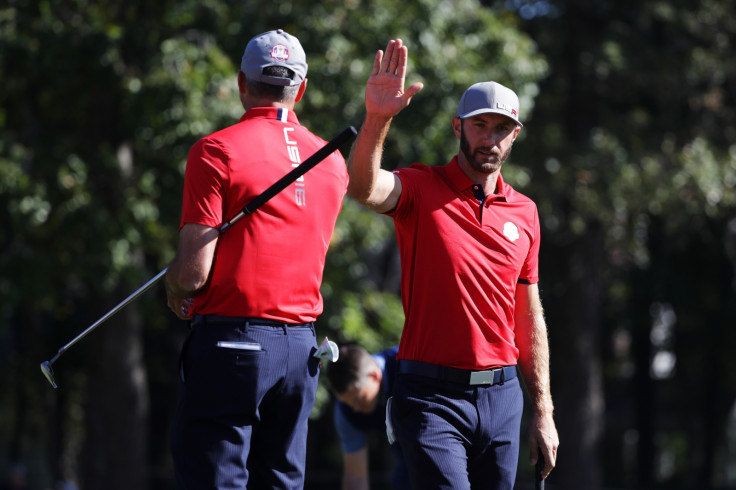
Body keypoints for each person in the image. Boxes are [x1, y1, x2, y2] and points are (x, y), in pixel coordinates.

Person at [346, 39, 559, 490]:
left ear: (514, 135)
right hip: (430, 396)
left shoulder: (526, 212)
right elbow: (363, 187)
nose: (490, 137)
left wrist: (543, 410)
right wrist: (378, 119)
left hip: (503, 399)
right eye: (480, 125)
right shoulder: (422, 188)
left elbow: (528, 315)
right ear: (457, 127)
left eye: (501, 128)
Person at [164, 29, 349, 489]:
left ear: (243, 84)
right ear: (300, 89)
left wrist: (172, 284)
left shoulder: (215, 150)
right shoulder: (332, 161)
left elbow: (191, 274)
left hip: (234, 343)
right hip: (301, 352)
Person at [325, 344, 409, 490]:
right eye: (349, 402)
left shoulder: (408, 366)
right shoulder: (346, 411)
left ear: (374, 376)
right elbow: (356, 477)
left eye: (359, 399)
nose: (355, 408)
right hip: (406, 463)